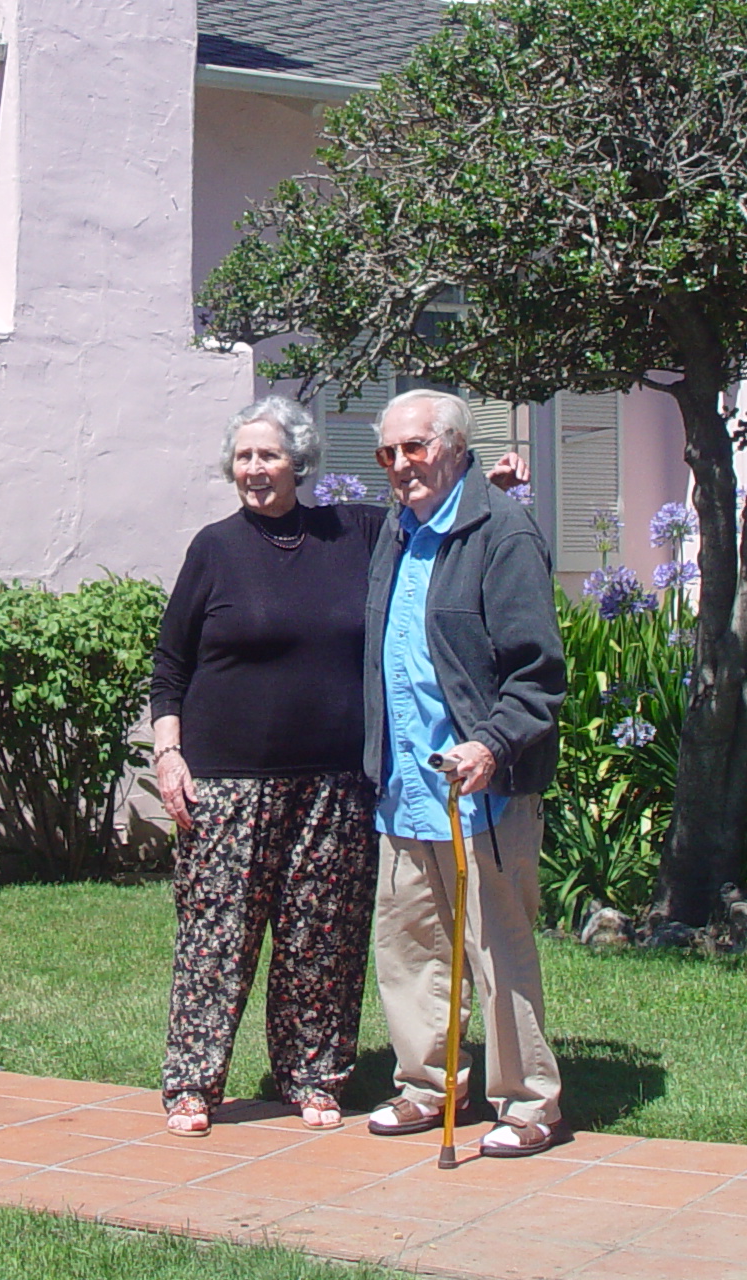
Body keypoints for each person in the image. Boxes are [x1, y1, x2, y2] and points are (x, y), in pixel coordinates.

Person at [148, 396, 385, 1136]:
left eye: (270, 455)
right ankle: (193, 1084)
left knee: (322, 937)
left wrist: (494, 489)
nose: (256, 469)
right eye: (245, 456)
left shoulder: (353, 532)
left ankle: (313, 1076)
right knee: (216, 936)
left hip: (333, 782)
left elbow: (434, 518)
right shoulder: (213, 549)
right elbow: (169, 664)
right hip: (225, 784)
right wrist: (167, 753)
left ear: (300, 461)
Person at [360, 388, 567, 1157]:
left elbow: (537, 672)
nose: (401, 464)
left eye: (415, 447)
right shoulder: (395, 530)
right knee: (411, 946)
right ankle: (426, 1085)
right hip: (405, 784)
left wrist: (493, 744)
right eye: (388, 453)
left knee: (497, 947)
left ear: (452, 445)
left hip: (481, 786)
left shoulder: (502, 532)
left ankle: (527, 1103)